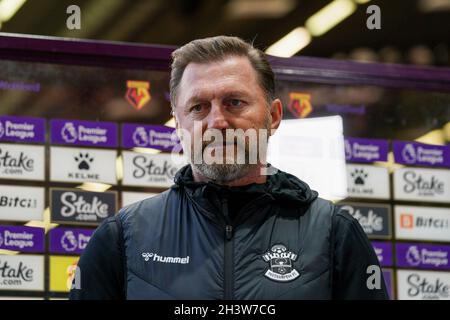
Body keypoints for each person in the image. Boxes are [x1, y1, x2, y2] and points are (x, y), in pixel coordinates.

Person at [69, 36, 389, 300]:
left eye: (234, 102)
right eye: (198, 107)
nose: (218, 122)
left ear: (274, 116)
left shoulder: (335, 234)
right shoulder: (122, 238)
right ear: (179, 123)